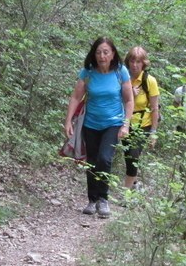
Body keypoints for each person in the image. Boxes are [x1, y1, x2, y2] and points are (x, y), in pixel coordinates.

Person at [64, 37, 134, 218]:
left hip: (113, 123)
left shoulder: (121, 72)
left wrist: (126, 124)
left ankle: (103, 199)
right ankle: (92, 200)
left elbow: (129, 100)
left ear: (112, 54)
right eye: (98, 52)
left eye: (105, 52)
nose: (101, 56)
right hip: (90, 123)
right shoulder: (87, 73)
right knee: (92, 161)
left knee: (104, 158)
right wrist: (68, 121)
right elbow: (75, 97)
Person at [122, 46, 160, 189]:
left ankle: (126, 193)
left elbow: (155, 108)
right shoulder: (122, 78)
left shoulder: (149, 81)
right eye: (132, 61)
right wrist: (129, 94)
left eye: (138, 61)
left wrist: (153, 133)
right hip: (124, 121)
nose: (135, 65)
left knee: (133, 156)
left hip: (143, 124)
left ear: (144, 63)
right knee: (128, 157)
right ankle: (135, 184)